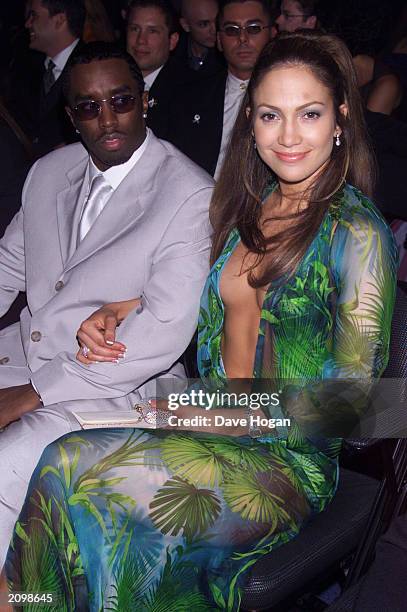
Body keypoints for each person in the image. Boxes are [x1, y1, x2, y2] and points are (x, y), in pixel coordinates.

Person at [4, 31, 398, 610]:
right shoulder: (253, 204)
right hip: (202, 417)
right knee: (59, 462)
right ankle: (30, 601)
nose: (288, 136)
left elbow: (366, 403)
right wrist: (120, 308)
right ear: (251, 122)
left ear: (340, 118)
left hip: (281, 464)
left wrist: (201, 410)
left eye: (308, 114)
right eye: (270, 115)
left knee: (76, 470)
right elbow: (220, 299)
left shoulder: (357, 234)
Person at [0, 41, 213, 569]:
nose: (108, 118)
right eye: (90, 107)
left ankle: (22, 591)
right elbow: (8, 267)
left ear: (146, 102)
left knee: (11, 457)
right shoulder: (49, 172)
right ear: (72, 117)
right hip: (25, 355)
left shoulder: (188, 193)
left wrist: (31, 395)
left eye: (121, 100)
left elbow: (161, 331)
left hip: (118, 384)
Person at [167, 0, 273, 176]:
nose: (243, 39)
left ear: (272, 33)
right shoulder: (189, 97)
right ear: (219, 40)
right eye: (232, 30)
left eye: (253, 28)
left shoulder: (290, 96)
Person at [12, 0, 86, 157]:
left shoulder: (90, 66)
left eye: (34, 15)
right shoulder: (23, 67)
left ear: (59, 20)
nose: (27, 24)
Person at [126, 0, 187, 139]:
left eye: (152, 31)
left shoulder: (188, 91)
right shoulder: (111, 80)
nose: (141, 40)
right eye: (135, 29)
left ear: (172, 41)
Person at [176, 0, 224, 73]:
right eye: (204, 24)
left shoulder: (228, 55)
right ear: (185, 25)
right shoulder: (170, 55)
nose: (214, 30)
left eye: (217, 21)